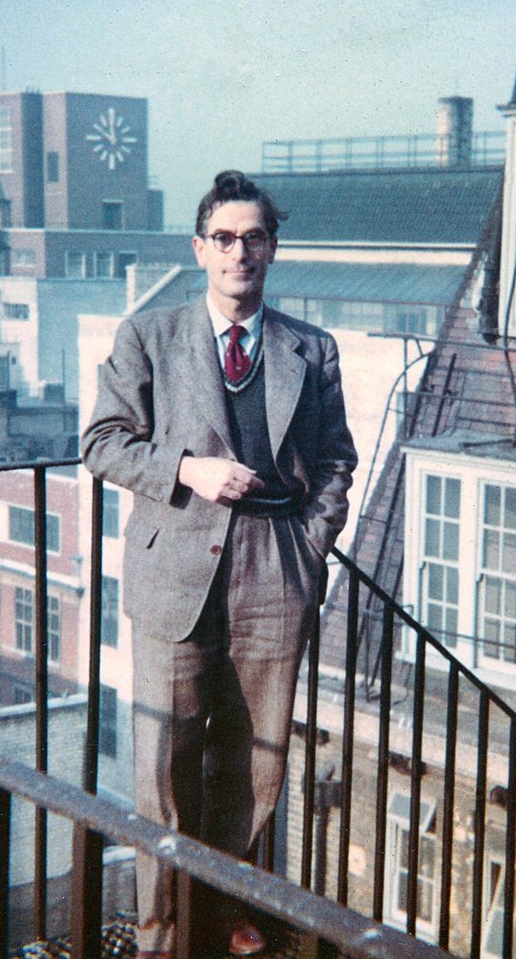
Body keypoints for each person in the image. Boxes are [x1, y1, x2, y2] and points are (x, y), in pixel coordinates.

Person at [81, 170, 357, 958]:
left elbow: (336, 459)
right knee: (166, 769)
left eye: (256, 237)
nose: (241, 252)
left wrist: (309, 545)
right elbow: (102, 443)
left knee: (256, 765)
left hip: (276, 571)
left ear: (273, 248)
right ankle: (165, 937)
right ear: (200, 249)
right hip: (176, 573)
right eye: (225, 238)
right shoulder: (149, 337)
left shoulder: (311, 347)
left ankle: (225, 914)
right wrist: (187, 471)